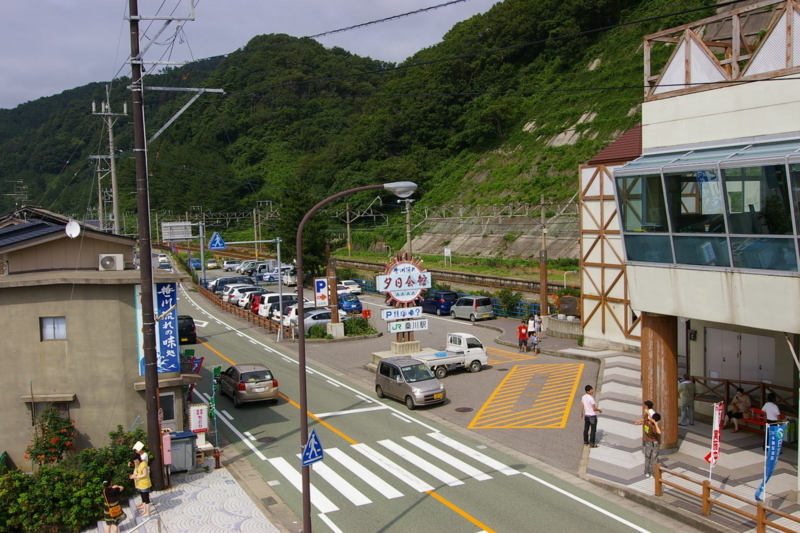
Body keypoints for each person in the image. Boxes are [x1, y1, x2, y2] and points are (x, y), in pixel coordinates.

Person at [634, 411, 662, 478]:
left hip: (647, 443)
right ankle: (652, 473)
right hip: (655, 443)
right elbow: (659, 432)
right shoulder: (653, 427)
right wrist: (655, 423)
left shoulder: (646, 422)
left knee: (647, 458)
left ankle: (646, 472)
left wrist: (639, 422)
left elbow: (645, 415)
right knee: (654, 459)